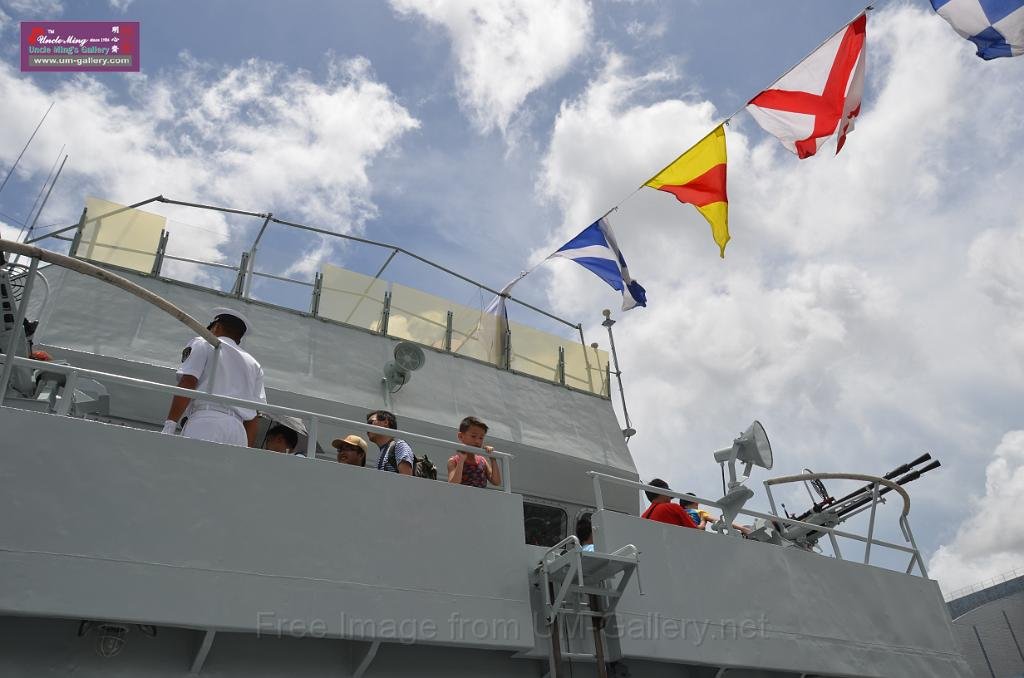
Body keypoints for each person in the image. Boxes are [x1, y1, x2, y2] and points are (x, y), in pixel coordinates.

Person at [162, 307, 266, 447]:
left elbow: (188, 382)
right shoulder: (254, 365)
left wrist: (170, 425)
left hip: (207, 422)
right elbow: (254, 416)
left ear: (216, 327)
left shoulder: (204, 342)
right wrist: (247, 450)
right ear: (239, 339)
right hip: (238, 431)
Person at [446, 416, 501, 488]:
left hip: (480, 495)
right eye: (473, 436)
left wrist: (492, 458)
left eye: (481, 438)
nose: (477, 441)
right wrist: (461, 460)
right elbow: (453, 484)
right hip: (461, 495)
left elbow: (496, 482)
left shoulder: (482, 461)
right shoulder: (453, 461)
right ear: (461, 436)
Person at [366, 410, 413, 475]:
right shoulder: (383, 452)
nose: (367, 427)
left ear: (385, 422)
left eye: (370, 422)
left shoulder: (399, 445)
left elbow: (406, 478)